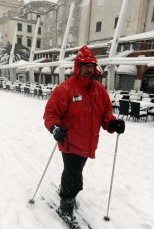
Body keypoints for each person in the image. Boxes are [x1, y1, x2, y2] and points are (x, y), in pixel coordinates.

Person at [43, 45, 125, 219]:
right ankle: (66, 206)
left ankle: (67, 192)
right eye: (85, 65)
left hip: (88, 144)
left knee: (74, 172)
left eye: (91, 66)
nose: (88, 69)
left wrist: (113, 123)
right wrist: (55, 127)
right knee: (74, 177)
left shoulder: (99, 90)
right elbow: (51, 113)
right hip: (69, 141)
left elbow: (106, 114)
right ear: (77, 67)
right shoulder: (65, 89)